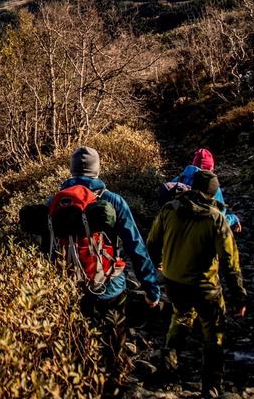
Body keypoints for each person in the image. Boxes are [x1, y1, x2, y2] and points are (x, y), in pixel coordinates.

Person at [51, 146, 161, 395]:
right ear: (97, 170)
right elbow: (136, 247)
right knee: (112, 354)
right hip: (110, 288)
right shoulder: (113, 200)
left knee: (75, 351)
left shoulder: (56, 201)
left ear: (71, 169)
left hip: (68, 290)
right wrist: (151, 288)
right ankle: (112, 388)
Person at [147, 169, 247, 398]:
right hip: (205, 285)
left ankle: (167, 370)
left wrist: (159, 265)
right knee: (214, 332)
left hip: (173, 281)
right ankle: (211, 386)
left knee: (180, 317)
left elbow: (152, 243)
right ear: (214, 193)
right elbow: (230, 262)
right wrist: (238, 295)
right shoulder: (216, 218)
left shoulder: (169, 209)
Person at [160, 148, 241, 233]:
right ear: (210, 169)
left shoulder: (178, 181)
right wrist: (234, 218)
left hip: (171, 230)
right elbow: (219, 220)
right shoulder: (212, 188)